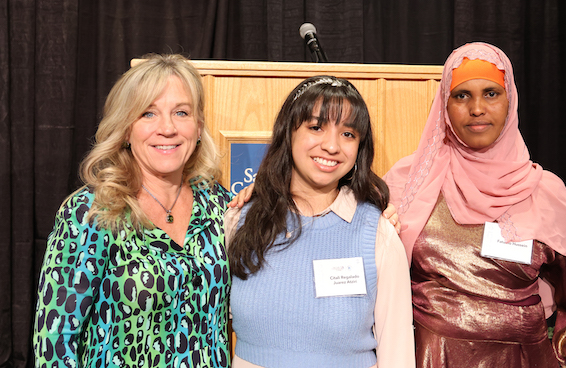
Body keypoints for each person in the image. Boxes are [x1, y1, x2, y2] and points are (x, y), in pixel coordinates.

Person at [384, 42, 566, 367]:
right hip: (433, 357)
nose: (477, 108)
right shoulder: (407, 181)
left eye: (491, 93)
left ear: (511, 100)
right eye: (461, 95)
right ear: (444, 106)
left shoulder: (546, 192)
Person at [33, 54, 232, 368]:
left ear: (198, 127)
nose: (167, 128)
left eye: (181, 112)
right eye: (148, 113)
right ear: (126, 129)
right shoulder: (91, 212)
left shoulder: (220, 205)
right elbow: (55, 344)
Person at [226, 76, 415, 368]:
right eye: (316, 127)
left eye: (348, 134)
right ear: (288, 132)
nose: (331, 146)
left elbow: (398, 351)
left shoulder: (378, 234)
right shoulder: (241, 220)